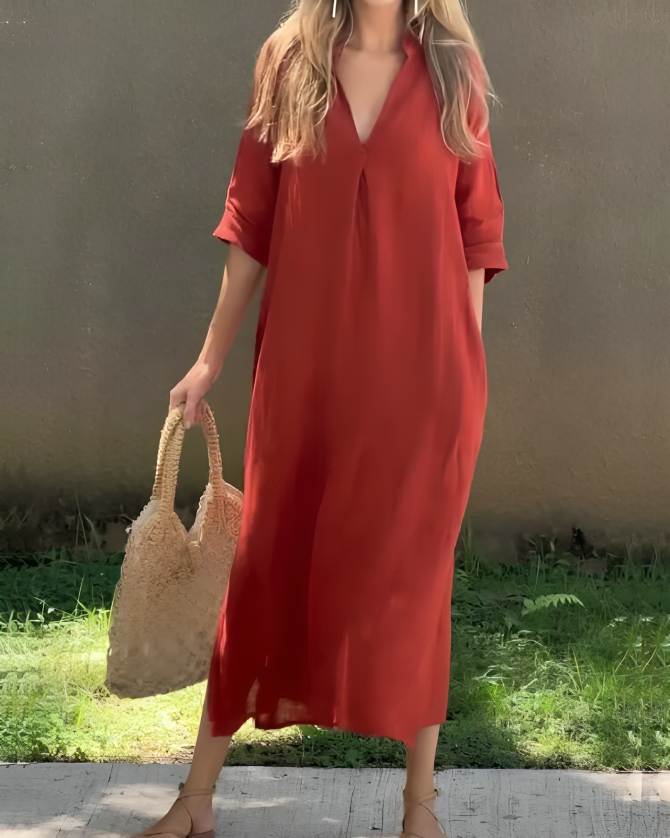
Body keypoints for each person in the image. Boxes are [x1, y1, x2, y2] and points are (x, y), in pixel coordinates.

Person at [133, 0, 508, 836]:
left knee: (416, 580)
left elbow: (476, 236)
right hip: (304, 379)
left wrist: (466, 374)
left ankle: (420, 809)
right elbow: (251, 223)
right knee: (266, 566)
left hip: (424, 384)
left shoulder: (454, 71)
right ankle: (197, 800)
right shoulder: (289, 60)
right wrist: (209, 358)